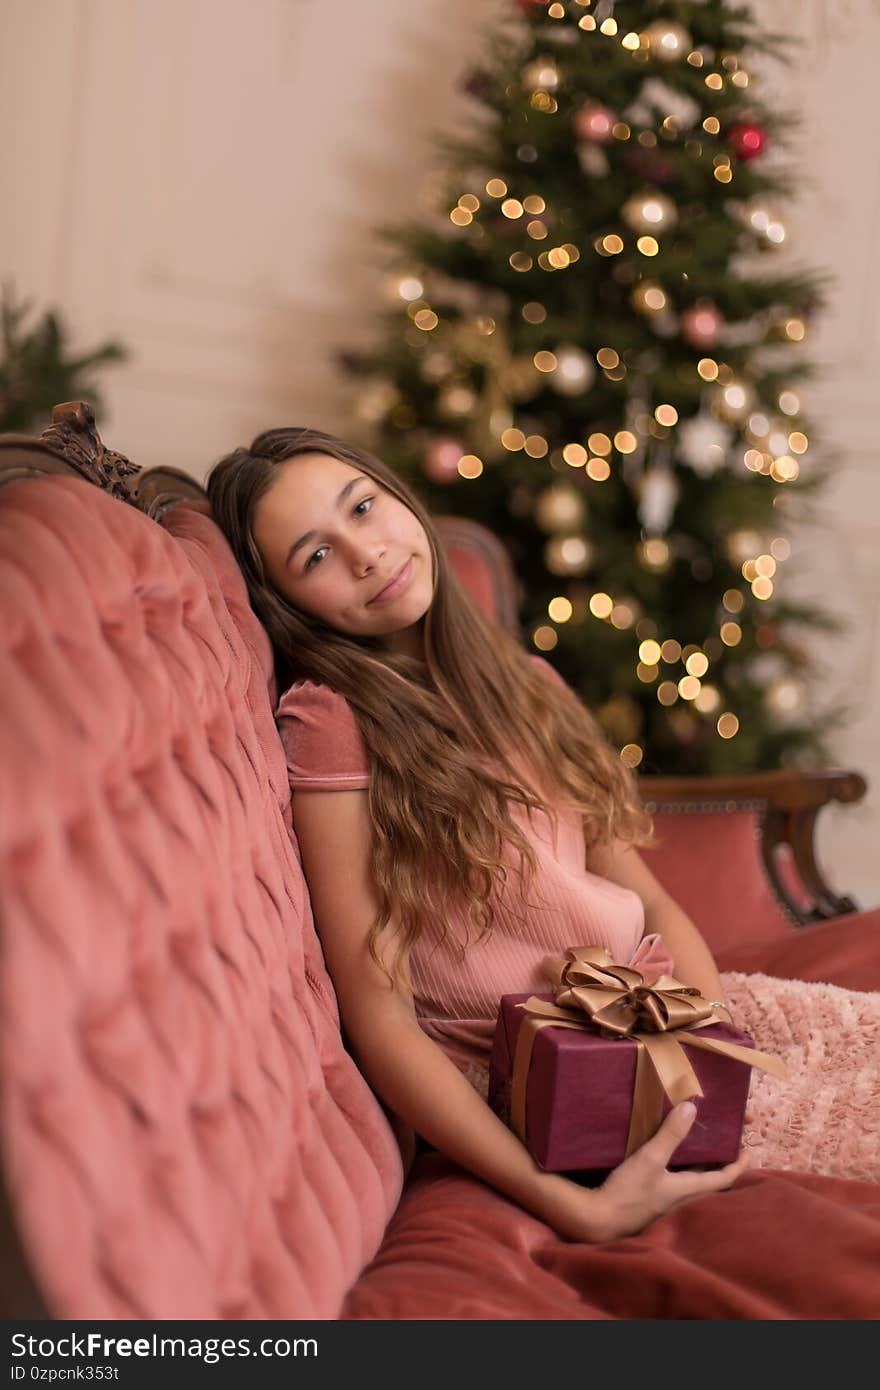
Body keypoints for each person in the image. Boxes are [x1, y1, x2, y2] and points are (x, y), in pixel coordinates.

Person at [206, 426, 877, 1239]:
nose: (367, 554)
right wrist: (566, 1202)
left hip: (657, 1013)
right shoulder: (332, 723)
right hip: (536, 1074)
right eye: (315, 555)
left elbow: (650, 901)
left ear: (400, 499)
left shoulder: (526, 681)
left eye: (365, 508)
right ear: (285, 603)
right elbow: (375, 1004)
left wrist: (704, 1045)